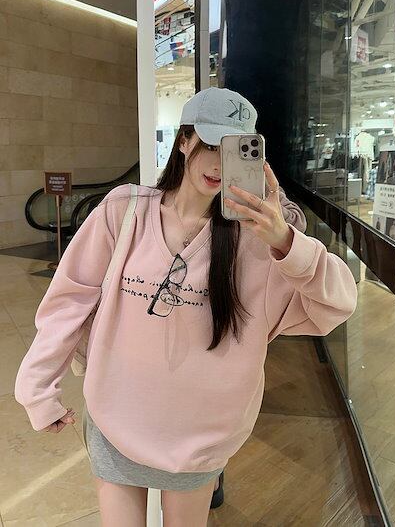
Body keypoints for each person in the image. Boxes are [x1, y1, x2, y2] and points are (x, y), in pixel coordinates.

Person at [14, 87, 357, 527]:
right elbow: (69, 301)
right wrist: (36, 387)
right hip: (116, 419)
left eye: (233, 149)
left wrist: (286, 241)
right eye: (209, 145)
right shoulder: (125, 212)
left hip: (199, 439)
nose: (218, 163)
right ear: (183, 140)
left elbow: (337, 304)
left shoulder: (258, 243)